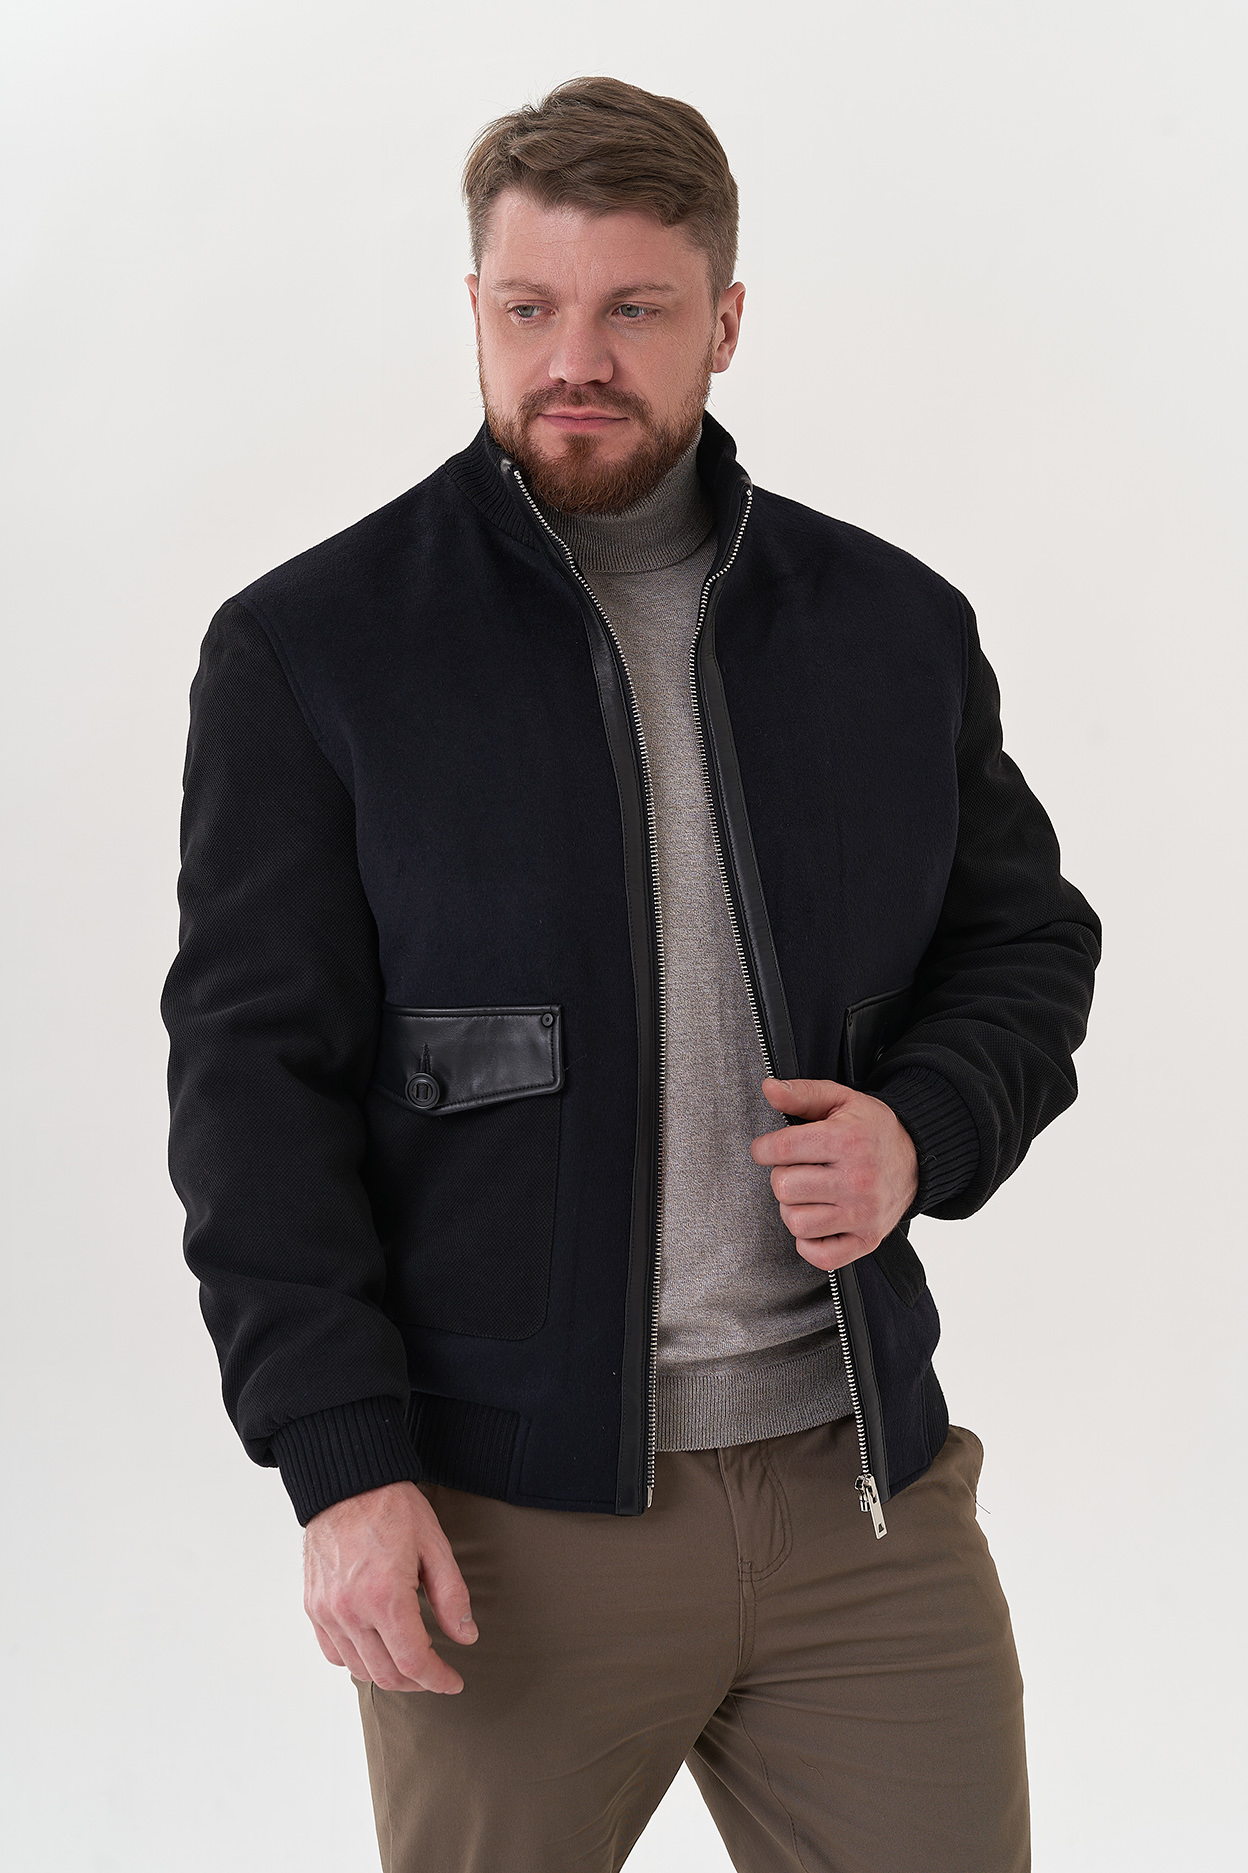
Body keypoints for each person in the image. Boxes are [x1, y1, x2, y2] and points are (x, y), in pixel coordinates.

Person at [163, 75, 1099, 1873]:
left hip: (862, 1499)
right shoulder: (315, 652)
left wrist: (920, 1126)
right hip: (503, 1524)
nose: (572, 360)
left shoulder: (891, 628)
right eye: (530, 307)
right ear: (475, 307)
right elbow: (248, 1092)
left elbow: (1027, 941)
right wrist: (341, 1463)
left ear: (725, 322)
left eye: (634, 310)